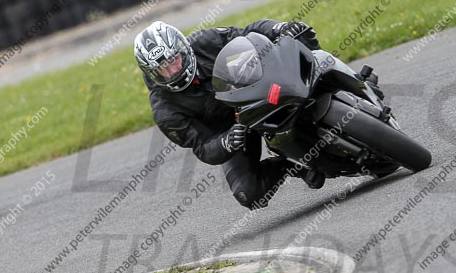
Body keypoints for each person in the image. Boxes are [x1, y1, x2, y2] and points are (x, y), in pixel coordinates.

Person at [134, 19, 320, 209]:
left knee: (299, 32)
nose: (174, 70)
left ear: (181, 49)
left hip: (256, 92)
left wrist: (276, 28)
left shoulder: (203, 41)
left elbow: (249, 34)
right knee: (247, 192)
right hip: (233, 129)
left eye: (173, 59)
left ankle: (331, 79)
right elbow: (203, 147)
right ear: (152, 73)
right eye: (163, 68)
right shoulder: (165, 111)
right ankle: (290, 164)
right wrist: (226, 142)